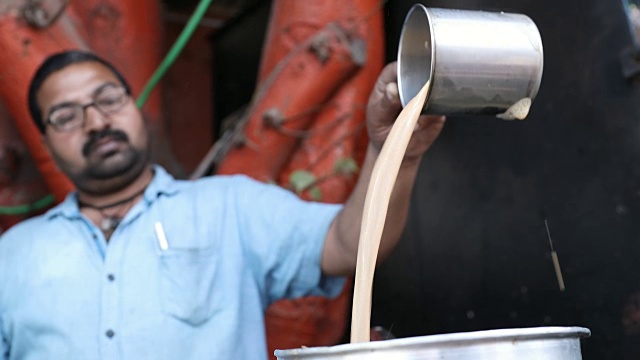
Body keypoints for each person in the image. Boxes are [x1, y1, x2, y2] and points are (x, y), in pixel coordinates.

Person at [0, 50, 445, 359]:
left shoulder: (230, 207)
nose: (96, 122)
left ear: (135, 105)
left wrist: (396, 152)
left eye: (109, 99)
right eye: (66, 115)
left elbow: (350, 246)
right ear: (45, 143)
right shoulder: (11, 255)